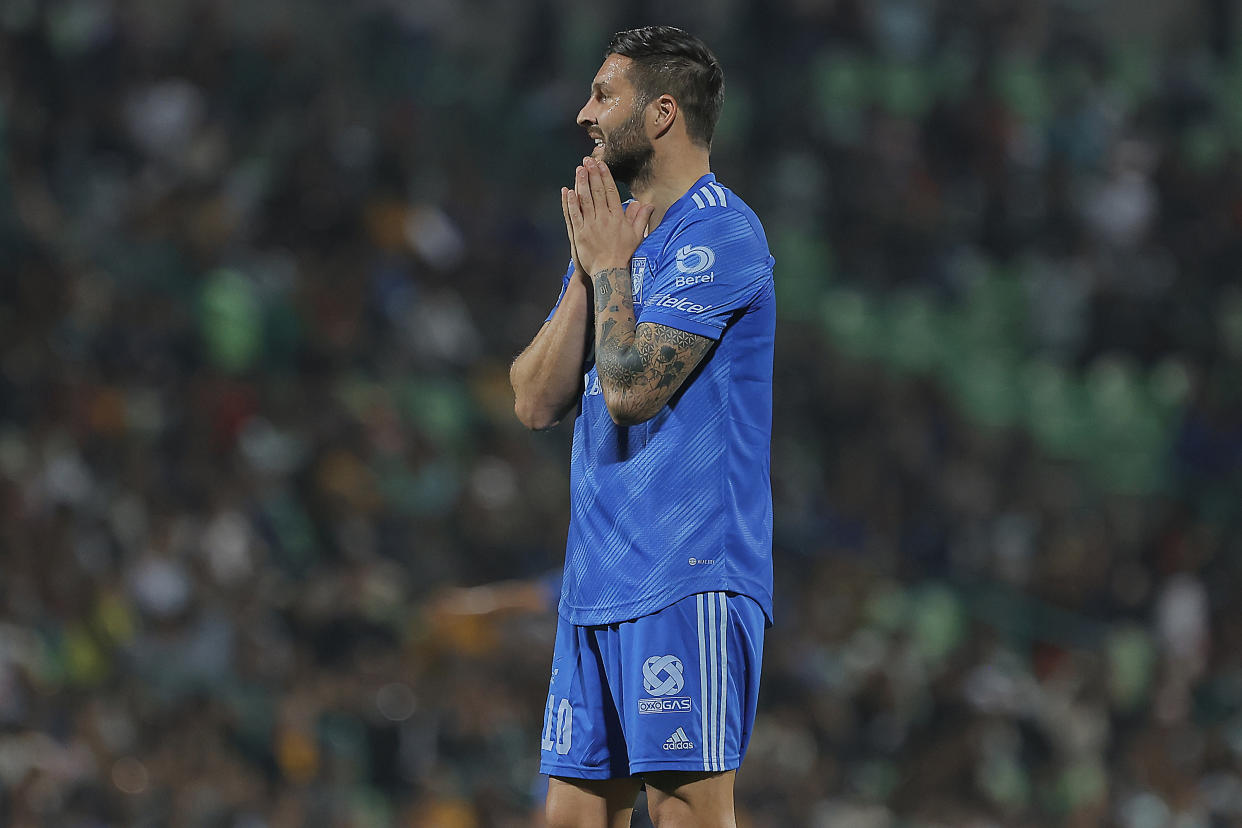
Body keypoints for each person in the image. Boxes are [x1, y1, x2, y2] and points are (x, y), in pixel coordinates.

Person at [509, 25, 775, 828]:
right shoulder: (613, 240)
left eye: (604, 95)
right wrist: (596, 268)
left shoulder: (722, 233)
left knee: (685, 814)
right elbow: (532, 399)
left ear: (662, 113)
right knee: (569, 820)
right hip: (595, 582)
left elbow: (629, 391)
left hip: (684, 572)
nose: (584, 113)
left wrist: (609, 267)